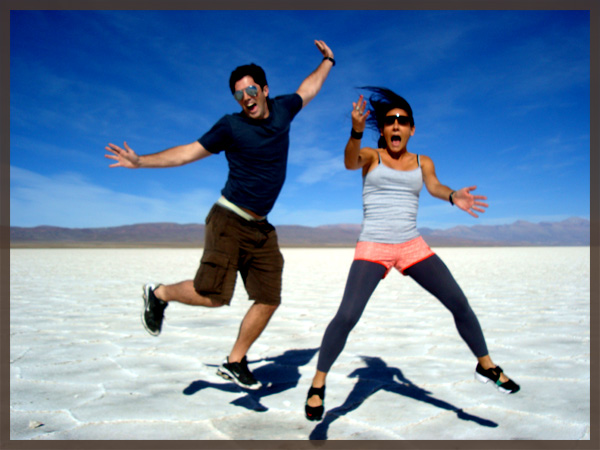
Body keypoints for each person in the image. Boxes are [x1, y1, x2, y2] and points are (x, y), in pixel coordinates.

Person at [105, 40, 335, 390]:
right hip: (228, 219)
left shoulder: (284, 108)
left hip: (261, 228)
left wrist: (329, 61)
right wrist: (140, 161)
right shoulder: (230, 126)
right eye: (239, 94)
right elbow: (186, 153)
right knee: (214, 296)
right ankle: (159, 294)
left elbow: (309, 89)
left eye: (252, 89)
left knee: (269, 298)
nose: (246, 97)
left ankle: (235, 361)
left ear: (265, 90)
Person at [304, 87, 519, 422]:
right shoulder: (371, 156)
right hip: (373, 243)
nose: (396, 126)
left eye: (402, 121)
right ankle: (318, 384)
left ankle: (486, 365)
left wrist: (452, 196)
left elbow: (434, 186)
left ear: (411, 129)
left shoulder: (422, 162)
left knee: (459, 303)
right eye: (390, 121)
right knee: (347, 316)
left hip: (411, 244)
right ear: (384, 128)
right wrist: (356, 131)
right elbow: (349, 161)